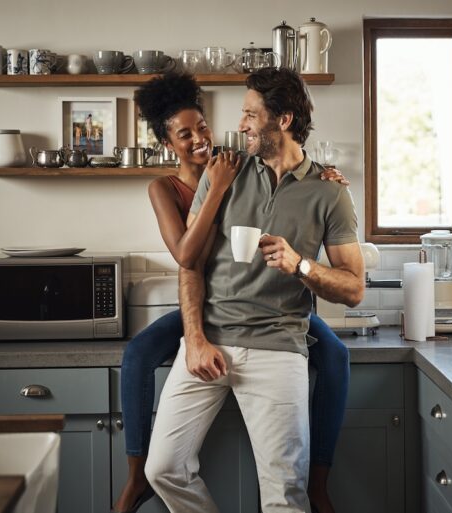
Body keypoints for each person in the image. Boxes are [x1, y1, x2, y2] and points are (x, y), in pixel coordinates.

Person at [113, 72, 352, 513]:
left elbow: (353, 287)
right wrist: (196, 338)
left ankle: (319, 481)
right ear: (169, 143)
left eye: (249, 114)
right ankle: (133, 477)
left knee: (286, 493)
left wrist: (301, 261)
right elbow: (190, 260)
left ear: (282, 119)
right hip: (210, 326)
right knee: (160, 461)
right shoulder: (216, 175)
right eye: (185, 134)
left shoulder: (326, 190)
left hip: (278, 339)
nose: (235, 125)